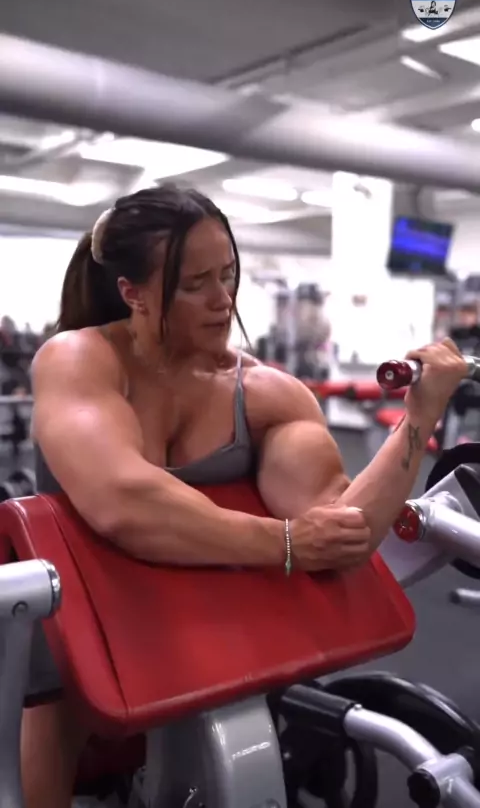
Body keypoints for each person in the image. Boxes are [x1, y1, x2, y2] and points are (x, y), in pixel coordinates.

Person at [25, 183, 466, 808]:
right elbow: (122, 499)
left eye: (228, 274)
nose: (222, 299)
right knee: (50, 708)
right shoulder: (79, 358)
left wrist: (419, 417)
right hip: (79, 621)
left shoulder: (265, 393)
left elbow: (344, 533)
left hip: (196, 623)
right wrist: (285, 542)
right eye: (194, 283)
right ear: (133, 292)